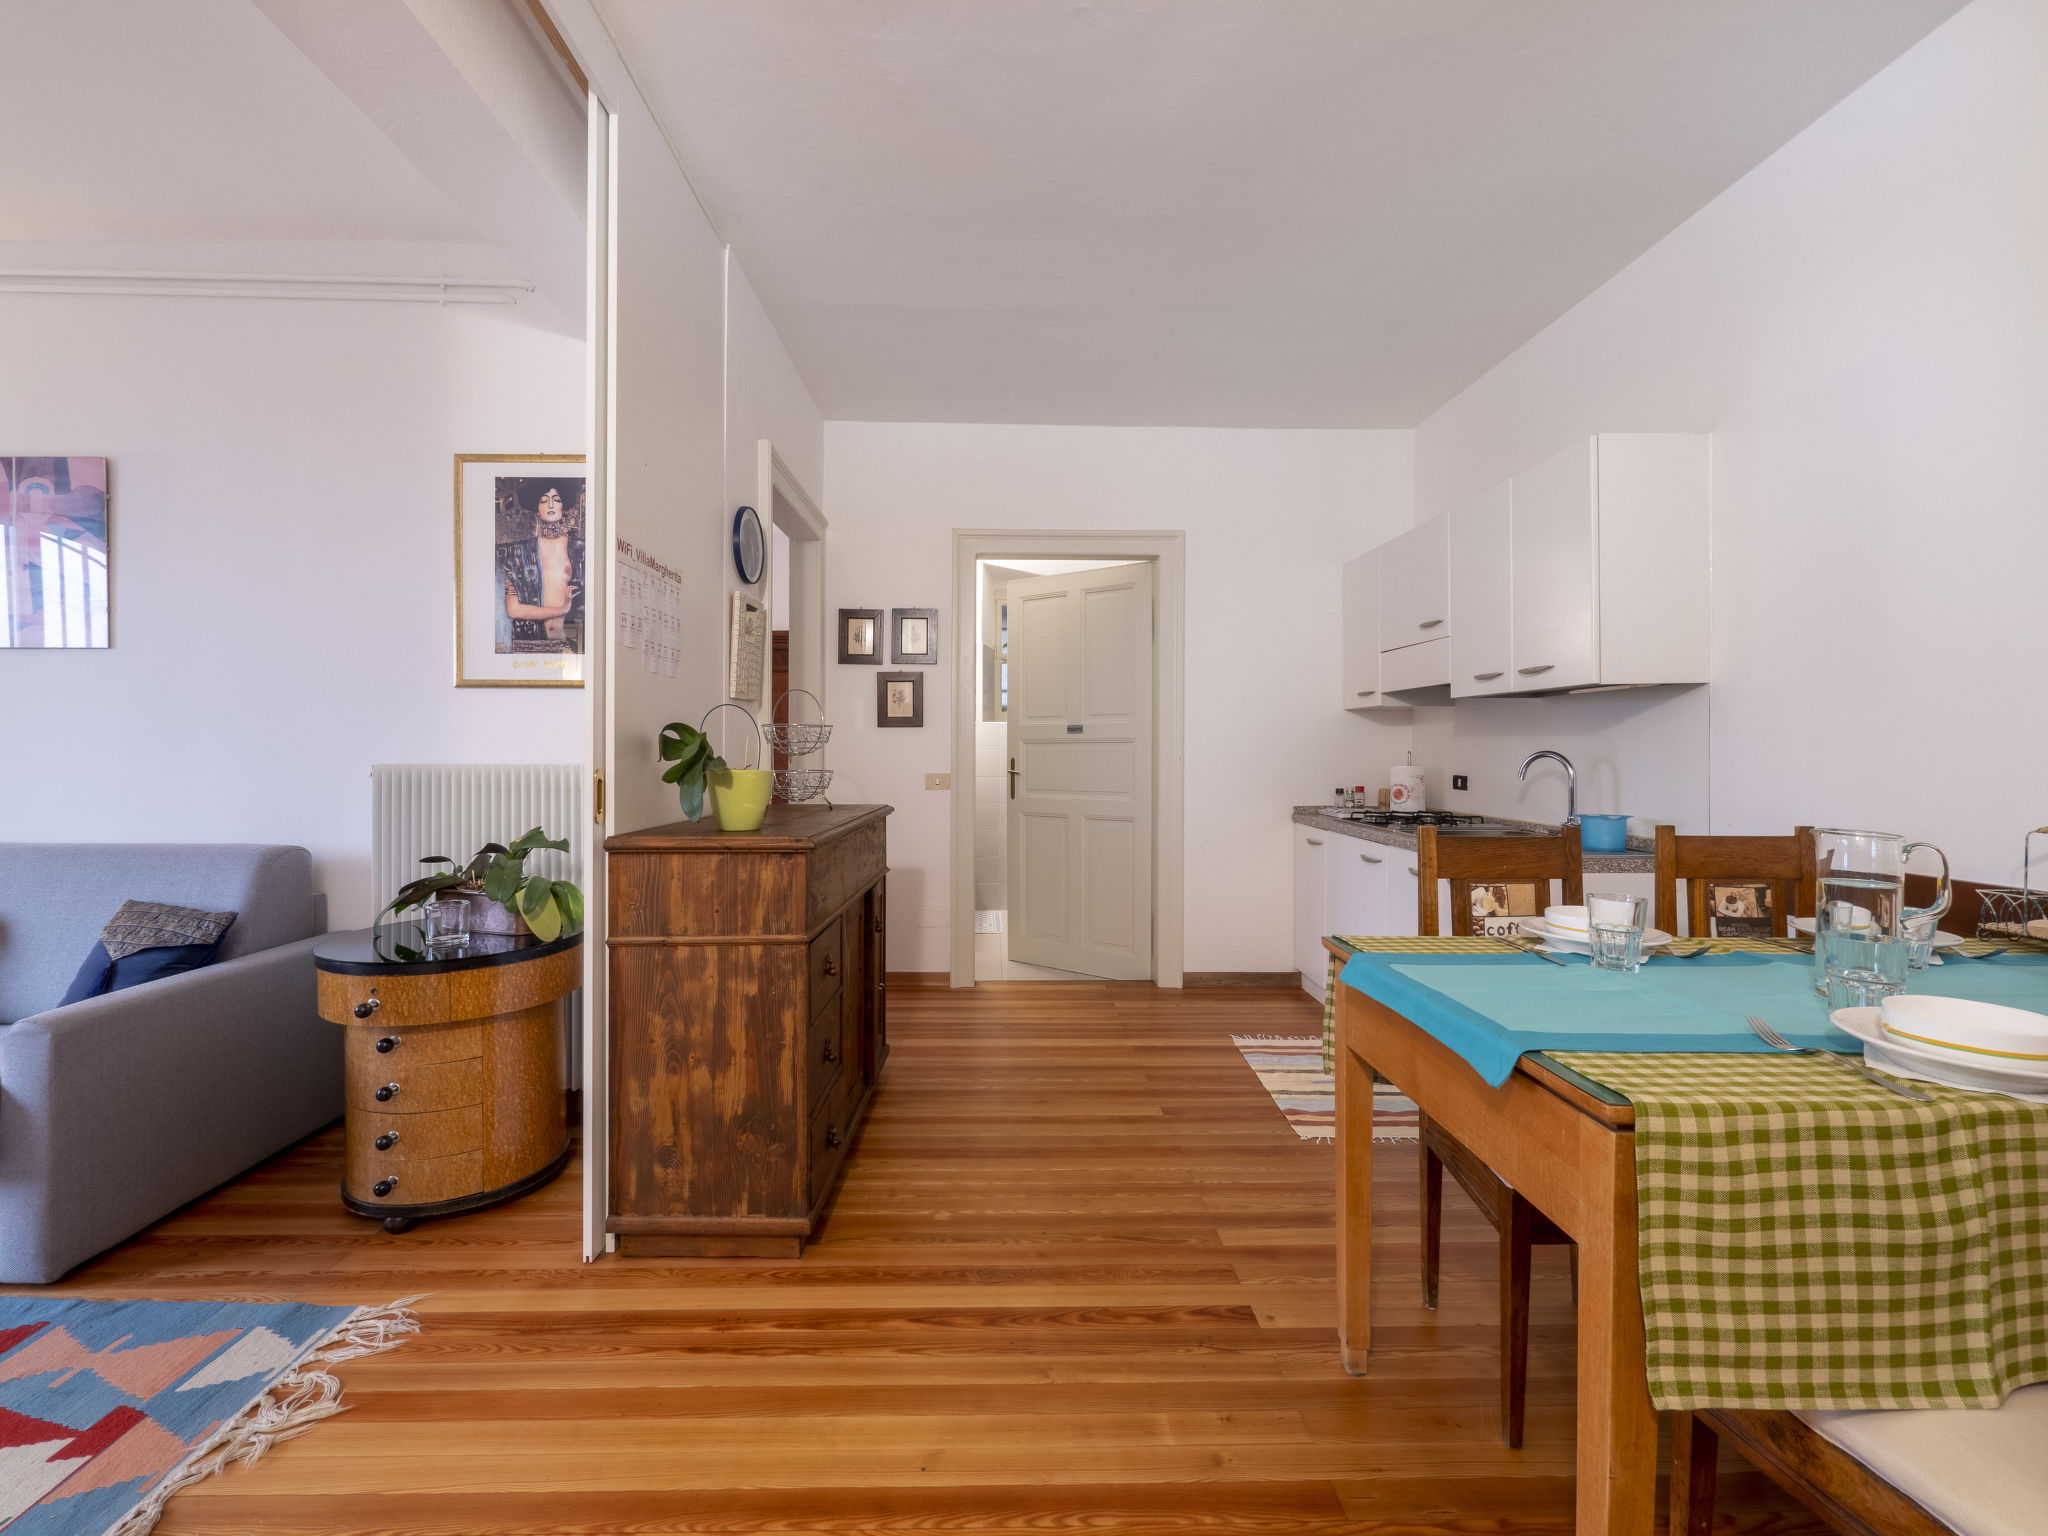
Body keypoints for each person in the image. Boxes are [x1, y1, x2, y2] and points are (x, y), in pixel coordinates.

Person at [496, 480, 585, 652]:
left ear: (563, 505)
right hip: (527, 647)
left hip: (565, 644)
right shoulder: (519, 552)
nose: (550, 505)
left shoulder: (578, 550)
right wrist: (560, 609)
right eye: (544, 500)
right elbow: (513, 609)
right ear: (537, 507)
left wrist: (570, 608)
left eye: (556, 499)